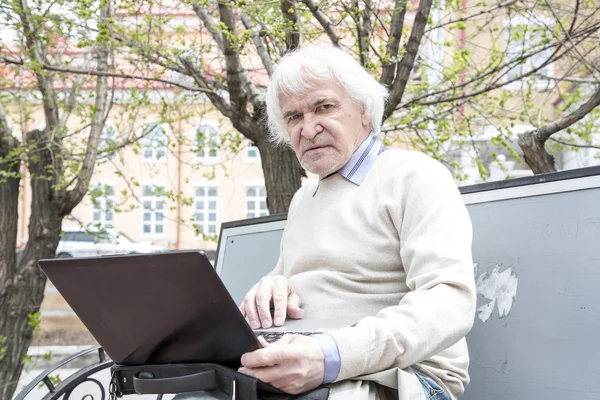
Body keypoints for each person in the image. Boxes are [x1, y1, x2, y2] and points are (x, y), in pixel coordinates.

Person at [236, 45, 476, 400]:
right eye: (293, 117)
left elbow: (449, 301)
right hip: (310, 365)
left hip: (404, 376)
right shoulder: (305, 198)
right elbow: (297, 280)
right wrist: (272, 288)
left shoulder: (414, 175)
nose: (308, 128)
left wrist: (330, 355)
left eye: (324, 107)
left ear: (363, 110)